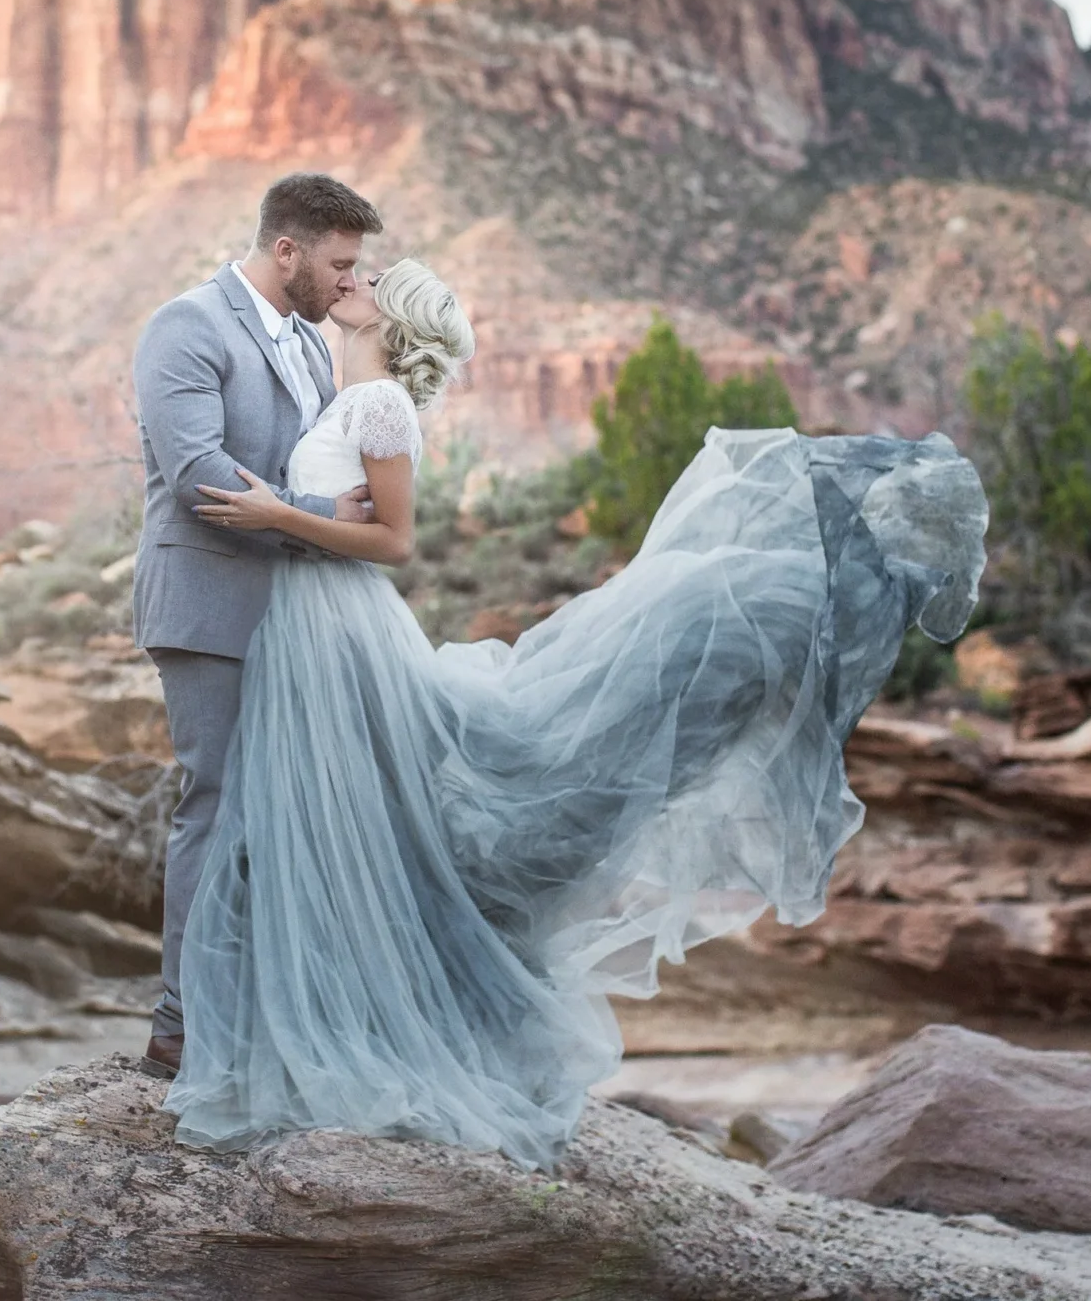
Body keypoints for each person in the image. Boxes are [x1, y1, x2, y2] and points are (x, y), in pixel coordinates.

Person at [165, 259, 988, 1169]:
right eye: (354, 270)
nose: (353, 279)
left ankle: (347, 1031)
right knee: (334, 826)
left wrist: (284, 512)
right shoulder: (342, 388)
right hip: (312, 625)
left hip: (336, 621)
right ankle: (291, 1020)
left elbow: (393, 540)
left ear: (391, 320)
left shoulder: (380, 406)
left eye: (372, 278)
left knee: (363, 823)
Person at [130, 170, 385, 1074]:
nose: (351, 283)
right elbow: (201, 472)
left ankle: (267, 1009)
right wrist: (325, 515)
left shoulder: (314, 348)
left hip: (294, 611)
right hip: (209, 605)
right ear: (288, 251)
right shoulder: (186, 328)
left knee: (286, 810)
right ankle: (180, 1025)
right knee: (219, 804)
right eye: (341, 265)